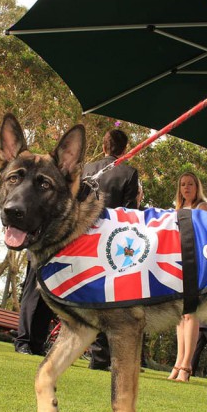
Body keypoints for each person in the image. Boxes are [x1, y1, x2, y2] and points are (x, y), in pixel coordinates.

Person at [82, 128, 140, 370]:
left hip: (85, 236)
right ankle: (102, 355)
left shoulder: (87, 169)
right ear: (124, 150)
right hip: (113, 240)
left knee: (88, 294)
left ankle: (91, 350)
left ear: (104, 147)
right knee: (111, 297)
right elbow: (129, 213)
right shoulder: (129, 173)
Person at [168, 172, 207, 382]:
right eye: (183, 184)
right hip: (178, 262)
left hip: (196, 262)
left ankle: (186, 366)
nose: (186, 187)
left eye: (191, 184)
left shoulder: (202, 207)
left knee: (191, 313)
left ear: (197, 186)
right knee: (180, 315)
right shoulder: (176, 209)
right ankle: (177, 363)